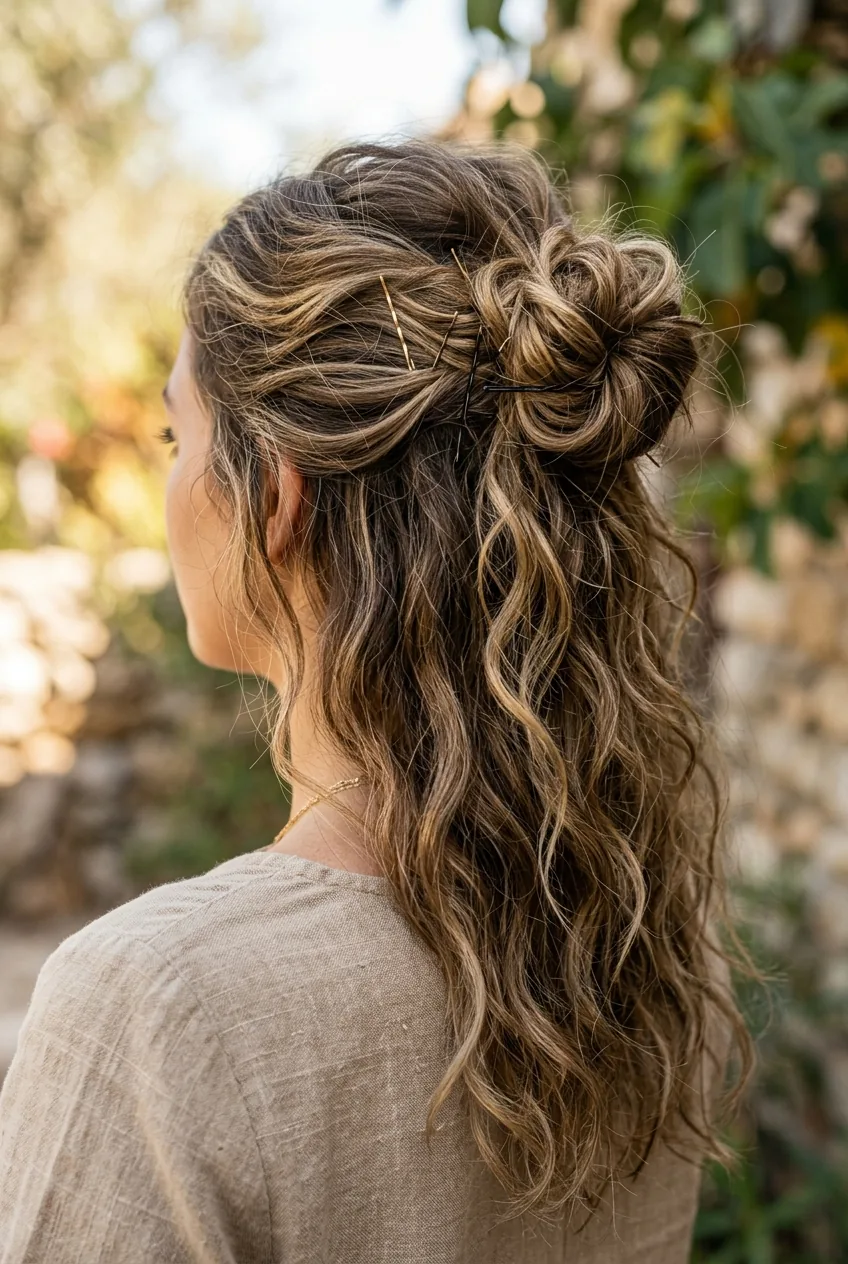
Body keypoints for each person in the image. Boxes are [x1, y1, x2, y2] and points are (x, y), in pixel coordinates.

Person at [0, 137, 754, 1262]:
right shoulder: (640, 943)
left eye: (176, 433)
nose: (164, 478)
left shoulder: (161, 1013)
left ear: (276, 498)